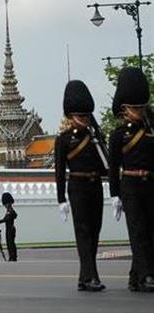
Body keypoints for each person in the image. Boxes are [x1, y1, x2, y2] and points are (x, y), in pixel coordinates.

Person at [55, 80, 106, 291]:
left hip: (95, 186)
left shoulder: (94, 136)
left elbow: (106, 165)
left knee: (95, 232)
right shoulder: (64, 140)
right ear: (71, 117)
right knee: (83, 232)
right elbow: (59, 170)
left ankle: (84, 277)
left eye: (87, 116)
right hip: (77, 187)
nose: (85, 120)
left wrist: (98, 138)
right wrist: (61, 199)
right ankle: (90, 276)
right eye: (81, 116)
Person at [108, 67, 154, 292]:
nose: (139, 111)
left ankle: (136, 276)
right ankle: (147, 275)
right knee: (138, 231)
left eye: (141, 107)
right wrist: (115, 194)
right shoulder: (118, 135)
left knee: (150, 230)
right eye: (135, 107)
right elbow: (114, 166)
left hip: (150, 184)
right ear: (125, 108)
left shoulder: (151, 130)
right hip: (130, 186)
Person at [0, 192, 17, 261]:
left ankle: (13, 256)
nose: (5, 205)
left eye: (6, 204)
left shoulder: (10, 211)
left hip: (10, 229)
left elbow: (6, 219)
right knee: (9, 243)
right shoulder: (8, 211)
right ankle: (11, 256)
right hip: (8, 228)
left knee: (11, 243)